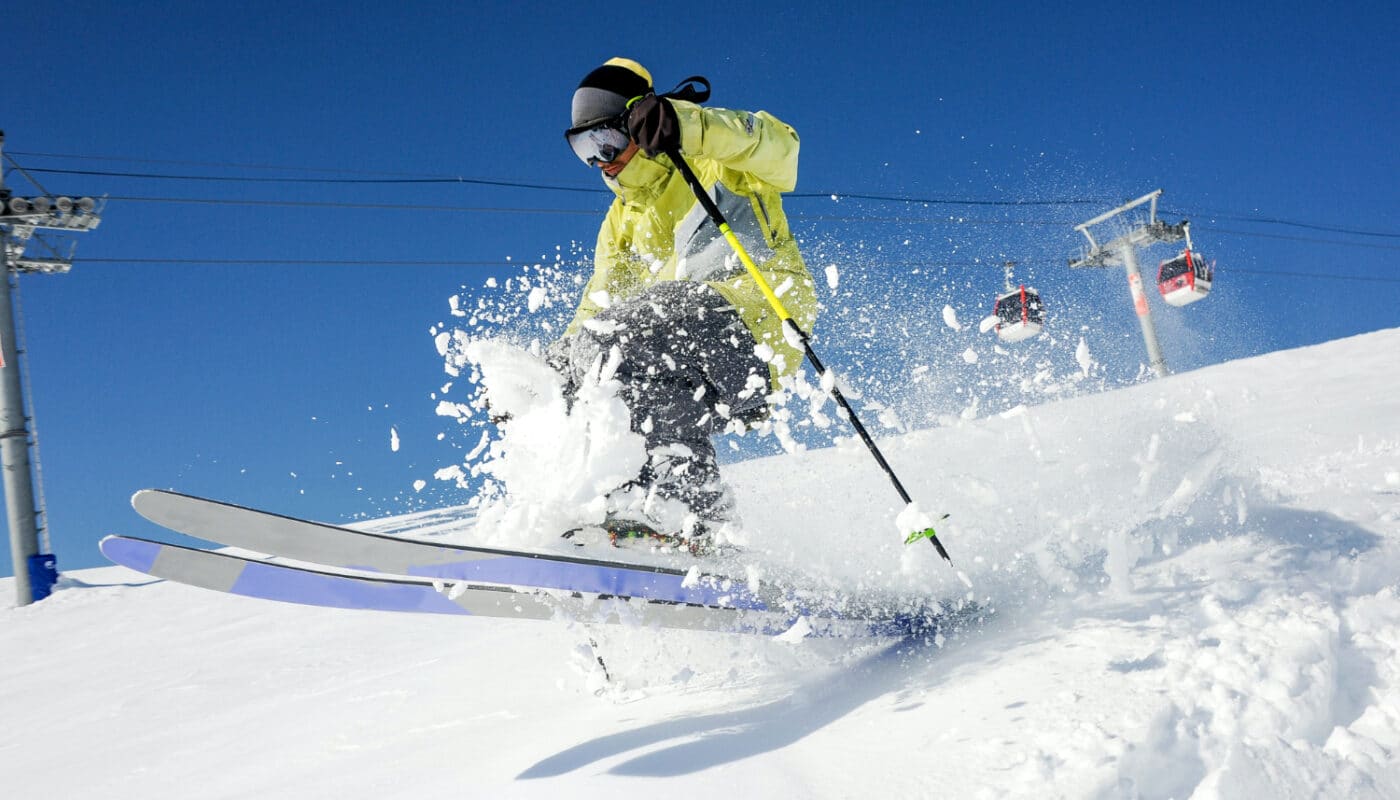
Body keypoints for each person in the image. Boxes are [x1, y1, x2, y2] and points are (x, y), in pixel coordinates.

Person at [550, 57, 818, 549]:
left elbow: (782, 147)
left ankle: (681, 501)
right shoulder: (621, 218)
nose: (599, 160)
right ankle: (684, 521)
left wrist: (686, 125)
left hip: (759, 318)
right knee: (583, 373)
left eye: (604, 140)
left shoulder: (711, 155)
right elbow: (599, 304)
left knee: (622, 336)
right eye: (582, 148)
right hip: (678, 346)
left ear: (637, 120)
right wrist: (550, 371)